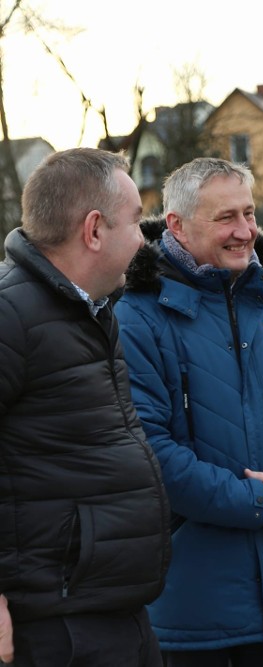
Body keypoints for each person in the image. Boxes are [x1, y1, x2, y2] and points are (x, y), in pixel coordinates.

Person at [113, 157, 263, 666]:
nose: (245, 232)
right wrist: (256, 502)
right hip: (188, 603)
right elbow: (149, 450)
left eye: (250, 213)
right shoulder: (138, 315)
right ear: (177, 225)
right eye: (226, 218)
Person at [0, 147, 172, 666]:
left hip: (112, 612)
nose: (145, 240)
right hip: (57, 630)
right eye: (136, 221)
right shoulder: (12, 316)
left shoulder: (95, 312)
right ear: (94, 230)